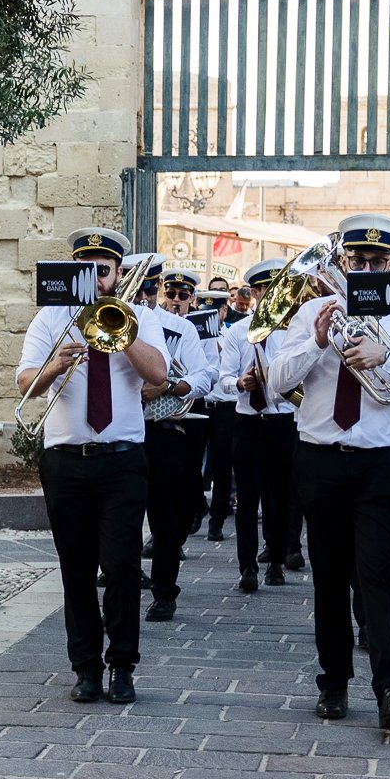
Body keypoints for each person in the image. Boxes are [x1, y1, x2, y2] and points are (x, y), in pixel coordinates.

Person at [265, 215, 390, 729]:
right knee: (327, 574)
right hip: (319, 458)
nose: (365, 269)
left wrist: (386, 354)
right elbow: (277, 381)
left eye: (376, 262)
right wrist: (316, 343)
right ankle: (334, 684)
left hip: (379, 461)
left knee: (378, 573)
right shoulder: (310, 311)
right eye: (357, 261)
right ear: (343, 262)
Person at [19, 226, 170, 701]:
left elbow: (160, 376)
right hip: (66, 460)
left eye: (102, 271)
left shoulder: (139, 317)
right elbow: (24, 380)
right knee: (76, 569)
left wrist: (120, 333)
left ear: (118, 274)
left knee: (122, 565)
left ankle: (122, 665)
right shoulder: (50, 318)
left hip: (122, 459)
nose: (95, 279)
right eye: (86, 270)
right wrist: (54, 366)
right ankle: (85, 667)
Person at [140, 267, 215, 622]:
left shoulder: (179, 328)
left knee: (166, 516)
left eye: (145, 289)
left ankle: (164, 592)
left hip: (161, 427)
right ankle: (120, 580)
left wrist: (169, 386)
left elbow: (205, 376)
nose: (140, 296)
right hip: (117, 431)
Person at [223, 257, 299, 591]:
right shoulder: (238, 332)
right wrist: (239, 384)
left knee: (279, 497)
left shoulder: (293, 329)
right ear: (254, 292)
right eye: (264, 289)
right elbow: (221, 378)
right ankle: (247, 566)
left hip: (283, 422)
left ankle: (277, 562)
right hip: (249, 421)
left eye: (275, 288)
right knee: (247, 497)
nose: (269, 294)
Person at [202, 278, 250, 540]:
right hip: (200, 402)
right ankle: (195, 507)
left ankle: (216, 520)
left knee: (221, 466)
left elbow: (229, 370)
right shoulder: (193, 331)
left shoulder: (231, 331)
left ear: (224, 310)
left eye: (216, 309)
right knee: (192, 465)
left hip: (225, 406)